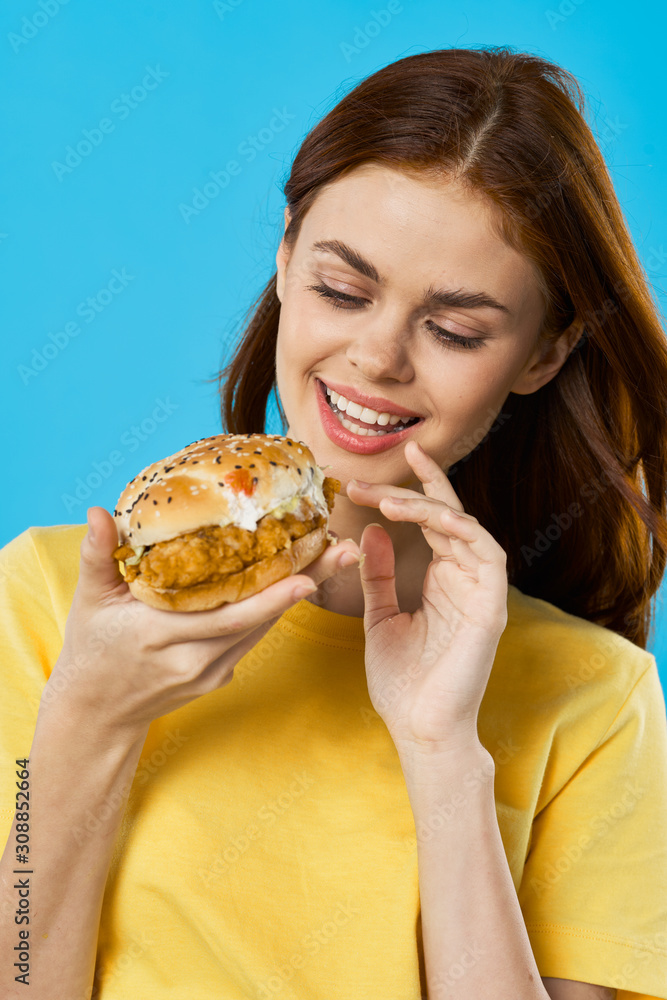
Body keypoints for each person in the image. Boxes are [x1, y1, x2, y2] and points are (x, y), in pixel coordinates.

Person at [1, 46, 666, 1000]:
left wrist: (441, 752)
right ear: (283, 258)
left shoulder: (593, 701)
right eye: (342, 289)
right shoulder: (45, 599)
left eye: (455, 329)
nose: (375, 357)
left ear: (543, 353)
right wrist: (87, 721)